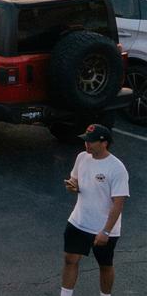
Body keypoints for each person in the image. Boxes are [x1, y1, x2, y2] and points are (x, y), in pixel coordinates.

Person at [62, 125, 129, 296]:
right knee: (70, 260)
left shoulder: (117, 168)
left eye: (91, 141)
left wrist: (106, 231)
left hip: (103, 229)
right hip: (78, 221)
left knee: (105, 266)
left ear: (104, 143)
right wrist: (72, 186)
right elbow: (75, 180)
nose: (87, 144)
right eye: (86, 140)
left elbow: (118, 204)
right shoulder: (82, 157)